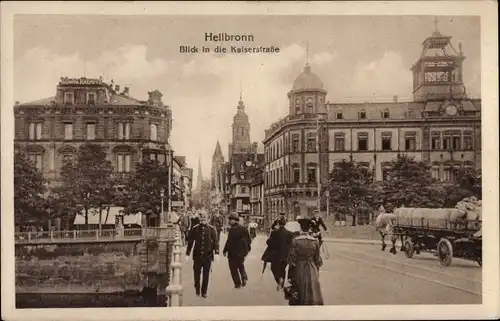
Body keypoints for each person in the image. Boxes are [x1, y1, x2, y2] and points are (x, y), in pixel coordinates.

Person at [286, 216, 324, 306]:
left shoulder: (295, 241)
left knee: (299, 291)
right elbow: (318, 260)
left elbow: (292, 261)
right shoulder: (315, 241)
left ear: (300, 228)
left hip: (299, 269)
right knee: (313, 291)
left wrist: (290, 276)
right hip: (312, 269)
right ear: (309, 228)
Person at [185, 213, 219, 298]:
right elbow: (190, 241)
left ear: (207, 219)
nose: (202, 219)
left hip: (208, 256)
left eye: (204, 218)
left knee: (206, 274)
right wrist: (187, 253)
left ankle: (204, 292)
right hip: (197, 256)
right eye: (201, 218)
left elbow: (215, 241)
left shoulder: (211, 229)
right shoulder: (195, 228)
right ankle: (197, 288)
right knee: (196, 274)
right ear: (199, 219)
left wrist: (217, 253)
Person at [223, 212, 252, 289]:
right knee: (241, 265)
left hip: (232, 253)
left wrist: (225, 250)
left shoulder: (232, 230)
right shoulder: (244, 229)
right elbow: (249, 240)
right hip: (242, 253)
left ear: (235, 220)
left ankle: (237, 284)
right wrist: (246, 250)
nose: (229, 221)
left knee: (233, 269)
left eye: (231, 220)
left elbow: (229, 242)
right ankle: (244, 277)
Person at [265, 217, 294, 290]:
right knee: (282, 269)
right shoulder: (289, 233)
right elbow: (291, 245)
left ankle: (279, 280)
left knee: (273, 268)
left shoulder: (274, 232)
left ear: (278, 224)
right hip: (285, 255)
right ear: (285, 224)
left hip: (275, 255)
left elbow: (269, 242)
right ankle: (281, 281)